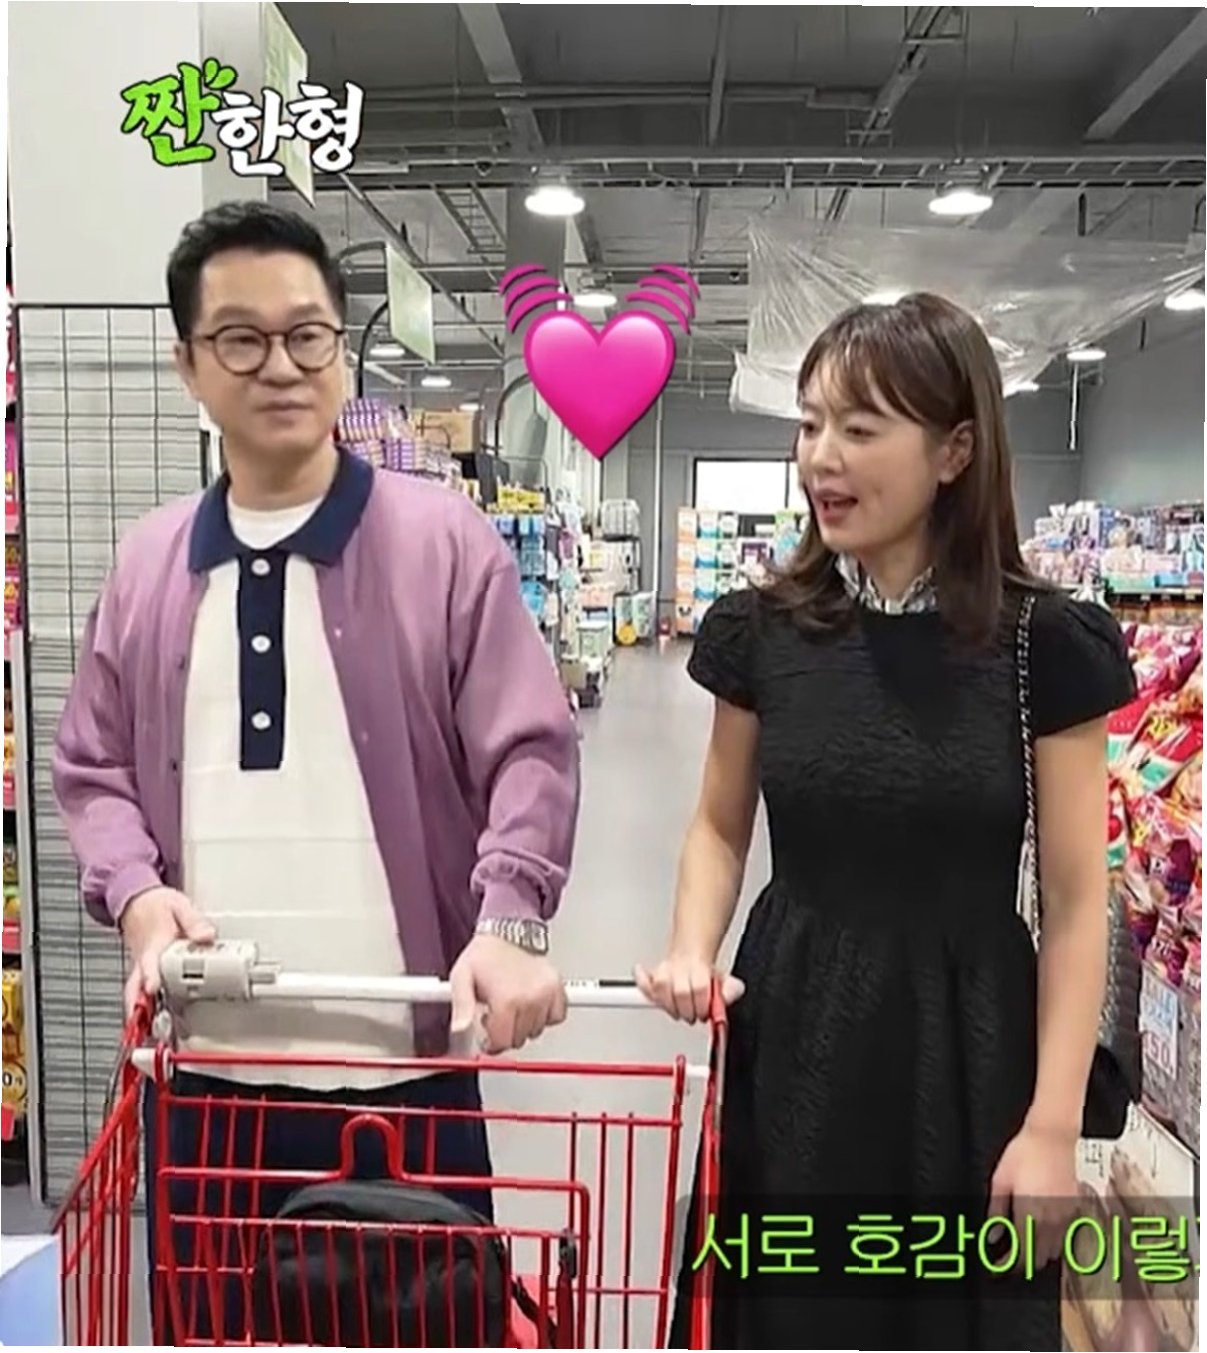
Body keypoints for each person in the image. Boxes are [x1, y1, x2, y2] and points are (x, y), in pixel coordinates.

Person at [53, 200, 580, 1335]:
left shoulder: (442, 543)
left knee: (428, 1333)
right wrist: (136, 895)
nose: (280, 365)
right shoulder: (147, 567)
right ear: (188, 364)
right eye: (240, 339)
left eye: (306, 335)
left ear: (341, 351)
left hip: (408, 1072)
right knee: (216, 1336)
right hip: (209, 1082)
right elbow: (93, 766)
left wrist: (511, 918)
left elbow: (530, 747)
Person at [637, 294, 1136, 1351]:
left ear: (954, 451)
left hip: (970, 1046)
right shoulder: (764, 631)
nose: (821, 457)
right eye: (810, 424)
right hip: (795, 1032)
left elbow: (1074, 899)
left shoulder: (1044, 644)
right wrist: (689, 944)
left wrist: (1051, 1126)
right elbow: (719, 826)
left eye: (859, 428)